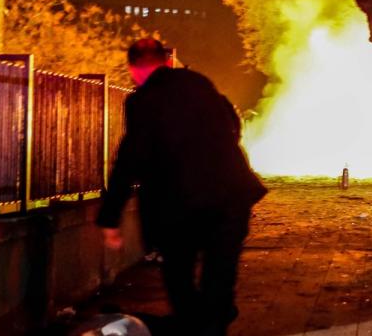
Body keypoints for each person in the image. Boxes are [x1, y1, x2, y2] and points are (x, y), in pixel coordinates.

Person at [98, 38, 267, 336]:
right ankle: (213, 321)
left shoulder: (143, 99)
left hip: (179, 205)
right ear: (167, 62)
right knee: (220, 273)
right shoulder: (200, 83)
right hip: (231, 196)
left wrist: (111, 216)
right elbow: (232, 123)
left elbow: (131, 156)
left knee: (179, 275)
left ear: (134, 69)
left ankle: (198, 324)